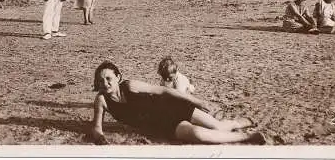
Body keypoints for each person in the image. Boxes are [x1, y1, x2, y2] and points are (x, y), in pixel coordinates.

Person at [91, 61, 265, 145]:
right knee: (198, 134)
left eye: (108, 78)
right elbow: (96, 127)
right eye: (101, 80)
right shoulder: (101, 100)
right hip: (161, 124)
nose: (105, 83)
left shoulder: (130, 85)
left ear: (118, 77)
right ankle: (247, 136)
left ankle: (238, 122)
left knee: (218, 127)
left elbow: (165, 91)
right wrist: (100, 137)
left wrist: (197, 101)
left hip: (171, 107)